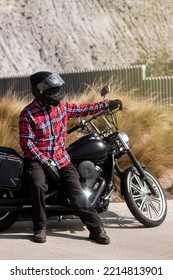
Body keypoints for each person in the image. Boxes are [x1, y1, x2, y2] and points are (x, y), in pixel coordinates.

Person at [19, 71, 122, 244]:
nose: (56, 91)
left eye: (56, 87)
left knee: (76, 189)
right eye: (51, 88)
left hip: (60, 158)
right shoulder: (28, 113)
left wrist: (107, 104)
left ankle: (96, 229)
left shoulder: (62, 107)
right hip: (37, 159)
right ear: (39, 90)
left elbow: (84, 109)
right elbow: (27, 144)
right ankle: (40, 227)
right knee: (37, 184)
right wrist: (45, 162)